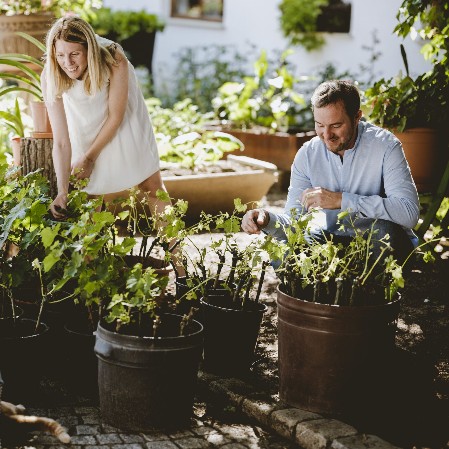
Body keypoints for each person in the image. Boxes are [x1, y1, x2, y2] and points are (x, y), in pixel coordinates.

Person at [241, 80, 420, 264]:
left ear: (357, 117)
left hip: (376, 244)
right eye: (319, 124)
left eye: (336, 125)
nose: (326, 135)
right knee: (284, 251)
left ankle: (365, 290)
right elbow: (294, 223)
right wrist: (266, 219)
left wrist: (341, 200)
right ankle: (328, 291)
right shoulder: (307, 154)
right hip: (329, 244)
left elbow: (408, 213)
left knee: (385, 233)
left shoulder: (386, 146)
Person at [42, 16, 168, 221]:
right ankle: (92, 254)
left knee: (150, 185)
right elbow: (62, 141)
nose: (68, 63)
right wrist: (62, 190)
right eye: (61, 55)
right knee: (89, 194)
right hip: (85, 122)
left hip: (124, 121)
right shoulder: (51, 73)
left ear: (89, 50)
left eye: (75, 54)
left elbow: (116, 116)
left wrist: (90, 158)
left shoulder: (113, 58)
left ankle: (175, 252)